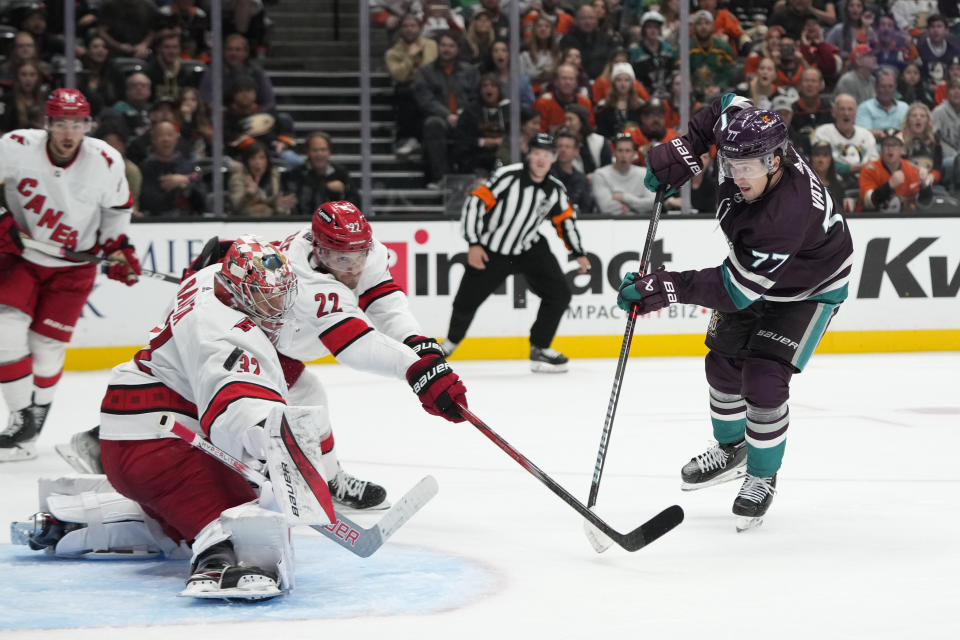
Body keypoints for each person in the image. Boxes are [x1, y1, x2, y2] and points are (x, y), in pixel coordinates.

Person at [621, 95, 854, 530]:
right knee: (722, 366)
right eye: (729, 164)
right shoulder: (748, 141)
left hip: (810, 288)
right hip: (756, 274)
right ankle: (731, 449)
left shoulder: (784, 214)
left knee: (763, 377)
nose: (735, 175)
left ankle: (762, 476)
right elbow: (727, 103)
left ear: (777, 160)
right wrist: (688, 148)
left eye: (747, 167)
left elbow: (734, 291)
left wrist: (666, 286)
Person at [0, 89, 139, 462]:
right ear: (46, 123)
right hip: (23, 259)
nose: (67, 132)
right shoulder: (14, 146)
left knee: (46, 353)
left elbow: (117, 211)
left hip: (73, 269)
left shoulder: (106, 161)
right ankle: (21, 420)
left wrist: (116, 247)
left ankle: (34, 418)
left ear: (86, 126)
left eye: (75, 124)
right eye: (60, 122)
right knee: (5, 329)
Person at [442, 133, 590, 372]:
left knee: (559, 294)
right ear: (528, 155)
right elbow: (476, 203)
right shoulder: (507, 176)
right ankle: (449, 344)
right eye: (537, 154)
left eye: (547, 155)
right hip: (493, 249)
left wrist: (578, 252)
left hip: (529, 248)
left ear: (553, 158)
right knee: (466, 301)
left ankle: (540, 347)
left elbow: (565, 221)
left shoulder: (554, 189)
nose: (541, 159)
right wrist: (474, 243)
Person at [412, 30, 478, 188]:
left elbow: (475, 97)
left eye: (451, 46)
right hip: (439, 118)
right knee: (432, 124)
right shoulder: (425, 72)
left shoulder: (469, 71)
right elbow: (425, 100)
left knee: (473, 124)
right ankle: (441, 178)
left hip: (465, 117)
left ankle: (470, 178)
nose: (446, 49)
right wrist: (447, 115)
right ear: (438, 47)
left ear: (457, 49)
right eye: (443, 45)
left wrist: (463, 115)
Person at [385, 13, 437, 157]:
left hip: (432, 88)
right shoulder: (393, 53)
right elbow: (399, 75)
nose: (409, 29)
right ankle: (407, 138)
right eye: (405, 26)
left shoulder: (431, 45)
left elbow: (430, 70)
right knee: (407, 91)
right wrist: (410, 56)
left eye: (413, 26)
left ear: (419, 28)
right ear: (400, 30)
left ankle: (416, 139)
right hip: (408, 91)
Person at [812, 93, 879, 189]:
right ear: (833, 112)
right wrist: (855, 168)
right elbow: (822, 164)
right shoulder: (823, 132)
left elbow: (874, 166)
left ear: (856, 113)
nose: (846, 113)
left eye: (850, 109)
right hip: (832, 186)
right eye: (842, 109)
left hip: (863, 184)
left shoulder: (867, 135)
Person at [285, 131, 358, 215]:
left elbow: (355, 203)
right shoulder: (295, 174)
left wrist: (343, 192)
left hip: (334, 224)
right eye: (315, 150)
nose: (319, 154)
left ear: (329, 151)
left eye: (323, 150)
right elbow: (291, 203)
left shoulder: (340, 173)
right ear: (307, 152)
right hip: (303, 222)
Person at [859, 134, 934, 211]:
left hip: (904, 219)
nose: (890, 149)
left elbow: (924, 205)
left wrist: (925, 186)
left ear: (902, 149)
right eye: (886, 145)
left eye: (895, 145)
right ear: (881, 149)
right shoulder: (870, 169)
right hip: (874, 218)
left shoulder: (911, 169)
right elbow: (868, 203)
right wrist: (889, 185)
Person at [229, 141, 296, 217]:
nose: (257, 162)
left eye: (261, 158)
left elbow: (278, 205)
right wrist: (248, 196)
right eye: (253, 158)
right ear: (246, 161)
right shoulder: (238, 178)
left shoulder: (274, 176)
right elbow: (236, 208)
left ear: (267, 161)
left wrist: (280, 206)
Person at [593, 132, 654, 215]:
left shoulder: (644, 174)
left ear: (634, 154)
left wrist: (624, 197)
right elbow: (605, 207)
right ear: (614, 152)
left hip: (641, 223)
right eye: (620, 150)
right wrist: (637, 206)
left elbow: (652, 204)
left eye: (628, 151)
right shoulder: (601, 175)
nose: (623, 155)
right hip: (611, 224)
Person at [855, 67, 910, 141]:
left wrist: (880, 134)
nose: (887, 90)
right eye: (883, 86)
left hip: (902, 150)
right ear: (876, 88)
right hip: (874, 151)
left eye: (890, 86)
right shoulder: (865, 107)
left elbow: (910, 132)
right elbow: (863, 134)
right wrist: (893, 135)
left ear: (895, 88)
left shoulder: (904, 107)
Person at [550, 128, 595, 213]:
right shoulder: (546, 175)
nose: (563, 150)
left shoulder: (582, 179)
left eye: (567, 147)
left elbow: (587, 208)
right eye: (560, 146)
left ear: (576, 151)